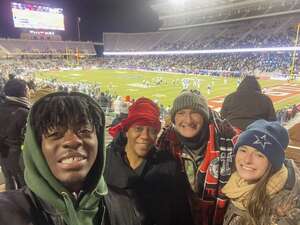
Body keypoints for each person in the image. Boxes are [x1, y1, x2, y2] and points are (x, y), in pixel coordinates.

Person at [0, 92, 145, 225]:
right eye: (55, 133)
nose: (72, 141)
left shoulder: (124, 205)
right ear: (37, 147)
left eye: (84, 130)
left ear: (99, 142)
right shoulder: (7, 212)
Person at [106, 97, 193, 225]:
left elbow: (182, 216)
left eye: (152, 131)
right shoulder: (105, 162)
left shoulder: (169, 167)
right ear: (126, 131)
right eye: (138, 129)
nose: (145, 136)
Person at [157, 90, 237, 225]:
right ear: (174, 119)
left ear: (204, 117)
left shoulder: (231, 141)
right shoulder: (164, 145)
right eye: (181, 113)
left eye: (194, 112)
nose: (188, 120)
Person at [222, 120, 300, 225]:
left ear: (273, 163)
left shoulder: (287, 207)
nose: (247, 160)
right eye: (243, 150)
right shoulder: (237, 183)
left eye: (259, 155)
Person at [0, 78, 30, 190]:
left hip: (3, 153)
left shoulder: (2, 107)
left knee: (9, 179)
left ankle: (11, 204)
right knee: (25, 184)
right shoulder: (24, 112)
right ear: (23, 91)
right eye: (27, 88)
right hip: (18, 155)